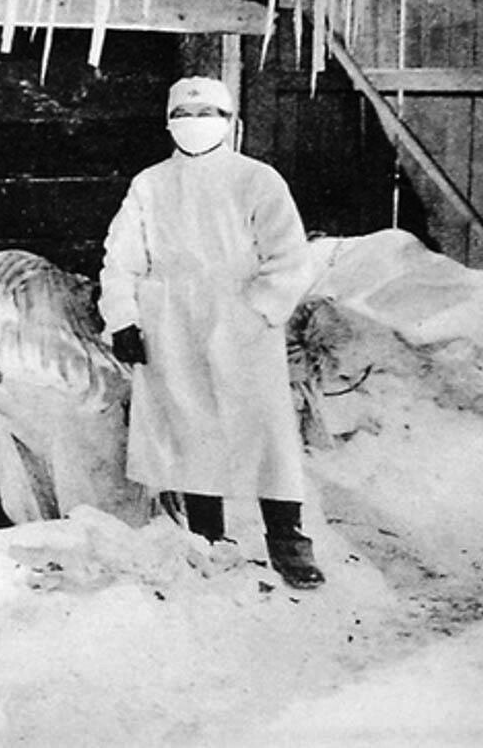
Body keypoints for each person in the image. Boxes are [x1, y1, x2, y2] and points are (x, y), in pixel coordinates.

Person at [97, 76, 325, 589]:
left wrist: (257, 312)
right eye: (184, 114)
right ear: (168, 121)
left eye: (208, 115)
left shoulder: (257, 179)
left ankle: (287, 540)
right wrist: (123, 318)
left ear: (230, 122)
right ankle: (208, 538)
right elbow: (121, 259)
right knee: (190, 425)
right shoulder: (149, 184)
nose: (195, 125)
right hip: (171, 320)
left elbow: (290, 258)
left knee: (266, 430)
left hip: (241, 318)